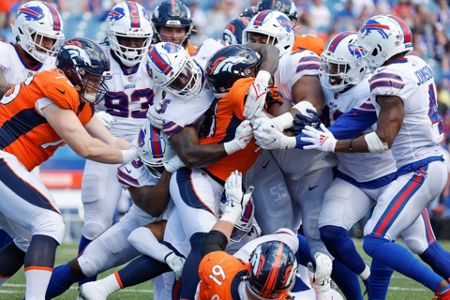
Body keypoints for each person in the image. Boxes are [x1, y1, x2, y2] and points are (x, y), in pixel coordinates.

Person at [294, 15, 450, 298]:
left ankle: (442, 289)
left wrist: (327, 142)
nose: (362, 52)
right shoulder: (414, 64)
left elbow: (376, 136)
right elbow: (350, 121)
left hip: (401, 171)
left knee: (395, 242)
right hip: (371, 174)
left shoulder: (381, 81)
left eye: (340, 67)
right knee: (344, 231)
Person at [0, 37, 137, 300]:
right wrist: (129, 156)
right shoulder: (56, 85)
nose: (98, 84)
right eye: (93, 77)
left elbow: (108, 141)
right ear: (75, 71)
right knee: (49, 223)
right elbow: (86, 147)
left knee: (28, 239)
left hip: (8, 161)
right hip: (3, 156)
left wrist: (144, 152)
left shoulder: (75, 97)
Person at [45, 120, 180, 299]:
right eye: (155, 166)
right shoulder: (133, 165)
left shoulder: (189, 155)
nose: (159, 169)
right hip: (141, 221)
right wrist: (170, 169)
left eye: (164, 165)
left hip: (179, 225)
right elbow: (154, 208)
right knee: (85, 264)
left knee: (170, 287)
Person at [78, 0, 154, 267]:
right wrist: (90, 115)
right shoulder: (97, 60)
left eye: (139, 41)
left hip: (151, 147)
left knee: (162, 223)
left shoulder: (158, 59)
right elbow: (78, 105)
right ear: (111, 34)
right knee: (95, 225)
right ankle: (83, 286)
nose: (133, 47)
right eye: (126, 40)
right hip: (106, 144)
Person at [0, 0, 65, 249]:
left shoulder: (51, 68)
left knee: (26, 235)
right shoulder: (5, 54)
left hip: (23, 157)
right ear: (23, 31)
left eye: (51, 40)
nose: (47, 45)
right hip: (4, 148)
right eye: (41, 37)